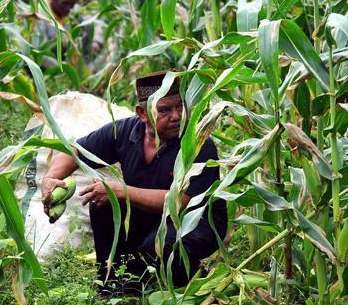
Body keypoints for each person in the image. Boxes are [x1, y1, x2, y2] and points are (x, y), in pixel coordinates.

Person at [41, 71, 228, 291]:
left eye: (180, 107)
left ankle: (182, 277)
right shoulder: (125, 131)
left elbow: (184, 201)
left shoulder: (198, 143)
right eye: (165, 110)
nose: (176, 116)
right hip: (149, 215)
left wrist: (123, 192)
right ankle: (111, 280)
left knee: (158, 246)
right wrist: (50, 177)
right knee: (102, 202)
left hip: (194, 222)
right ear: (142, 113)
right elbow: (76, 151)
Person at [33, 0, 103, 69]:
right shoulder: (39, 16)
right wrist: (67, 71)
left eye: (72, 4)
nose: (69, 8)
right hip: (46, 68)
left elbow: (95, 22)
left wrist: (96, 41)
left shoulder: (74, 10)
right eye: (65, 3)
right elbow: (39, 54)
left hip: (68, 63)